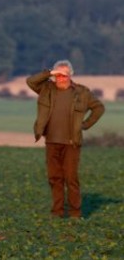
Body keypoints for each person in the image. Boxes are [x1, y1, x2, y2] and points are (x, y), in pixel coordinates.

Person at [26, 60, 104, 219]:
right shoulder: (46, 88)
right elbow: (30, 81)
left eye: (65, 75)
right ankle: (57, 212)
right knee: (54, 178)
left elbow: (99, 108)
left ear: (71, 75)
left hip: (71, 143)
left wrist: (85, 125)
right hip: (51, 141)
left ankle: (75, 213)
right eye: (59, 75)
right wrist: (50, 73)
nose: (61, 78)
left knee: (71, 178)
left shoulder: (82, 92)